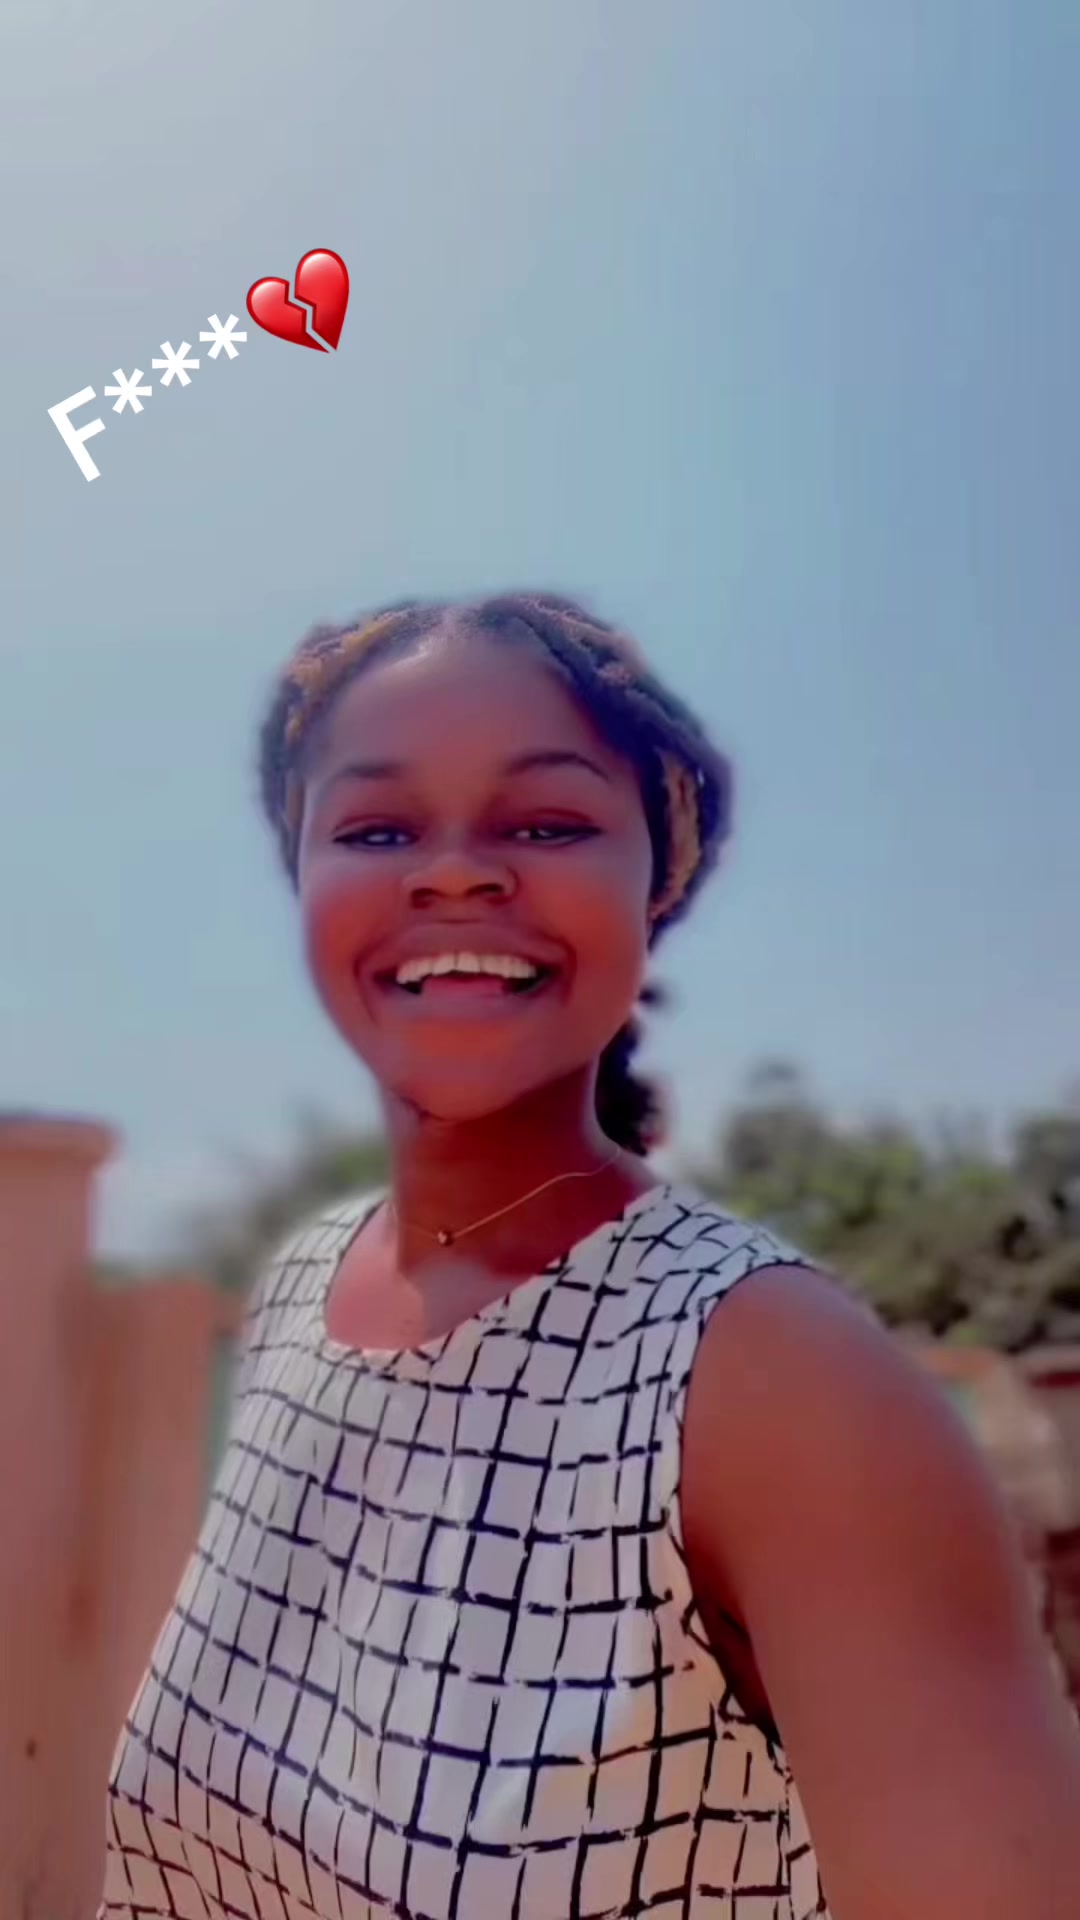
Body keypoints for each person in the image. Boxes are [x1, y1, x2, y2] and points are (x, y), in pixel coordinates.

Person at [100, 593, 1080, 1919]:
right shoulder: (303, 1290)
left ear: (653, 886)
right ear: (305, 879)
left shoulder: (771, 1383)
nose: (453, 873)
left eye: (548, 823)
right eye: (376, 829)